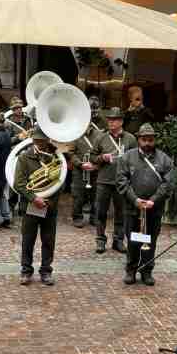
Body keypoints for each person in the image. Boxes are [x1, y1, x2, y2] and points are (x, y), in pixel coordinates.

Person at [117, 123, 174, 286]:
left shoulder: (164, 159)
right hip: (132, 207)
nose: (147, 143)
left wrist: (153, 200)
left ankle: (147, 270)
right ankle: (131, 269)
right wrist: (135, 199)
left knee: (150, 240)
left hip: (153, 208)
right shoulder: (127, 157)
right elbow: (121, 181)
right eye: (144, 140)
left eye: (150, 140)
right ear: (138, 139)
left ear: (154, 140)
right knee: (133, 239)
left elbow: (168, 184)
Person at [14, 126, 61, 286]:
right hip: (31, 206)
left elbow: (61, 181)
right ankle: (26, 270)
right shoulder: (24, 158)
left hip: (50, 206)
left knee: (49, 240)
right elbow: (18, 184)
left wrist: (51, 200)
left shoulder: (57, 156)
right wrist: (34, 198)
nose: (40, 144)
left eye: (43, 141)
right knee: (28, 240)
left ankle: (46, 271)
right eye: (37, 140)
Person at [90, 107, 138, 254]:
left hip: (122, 182)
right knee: (100, 212)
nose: (111, 122)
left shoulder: (130, 138)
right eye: (109, 120)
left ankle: (118, 240)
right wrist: (101, 158)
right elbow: (92, 156)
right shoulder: (101, 137)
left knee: (121, 213)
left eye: (114, 120)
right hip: (104, 180)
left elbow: (137, 158)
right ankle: (100, 240)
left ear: (121, 121)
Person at [70, 96, 103, 228]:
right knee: (78, 195)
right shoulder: (75, 133)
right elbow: (70, 152)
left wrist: (96, 165)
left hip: (95, 170)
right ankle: (77, 216)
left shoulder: (99, 134)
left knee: (96, 195)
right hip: (80, 170)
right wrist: (80, 164)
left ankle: (94, 217)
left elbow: (102, 151)